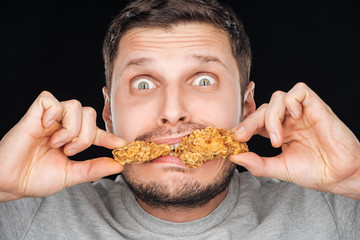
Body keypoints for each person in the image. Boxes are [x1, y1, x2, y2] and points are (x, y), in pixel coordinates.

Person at [1, 0, 359, 239]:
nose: (172, 110)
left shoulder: (334, 207)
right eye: (143, 83)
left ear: (247, 108)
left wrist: (354, 177)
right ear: (109, 114)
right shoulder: (23, 215)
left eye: (204, 80)